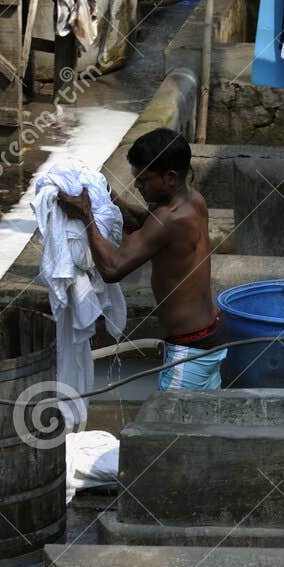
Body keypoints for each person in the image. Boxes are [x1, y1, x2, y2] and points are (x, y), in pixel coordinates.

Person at [56, 128, 223, 389]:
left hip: (188, 351)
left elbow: (112, 268)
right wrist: (107, 193)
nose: (137, 185)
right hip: (209, 336)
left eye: (144, 180)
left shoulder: (169, 220)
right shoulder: (192, 201)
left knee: (166, 427)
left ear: (169, 177)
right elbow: (140, 223)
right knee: (201, 425)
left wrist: (86, 217)